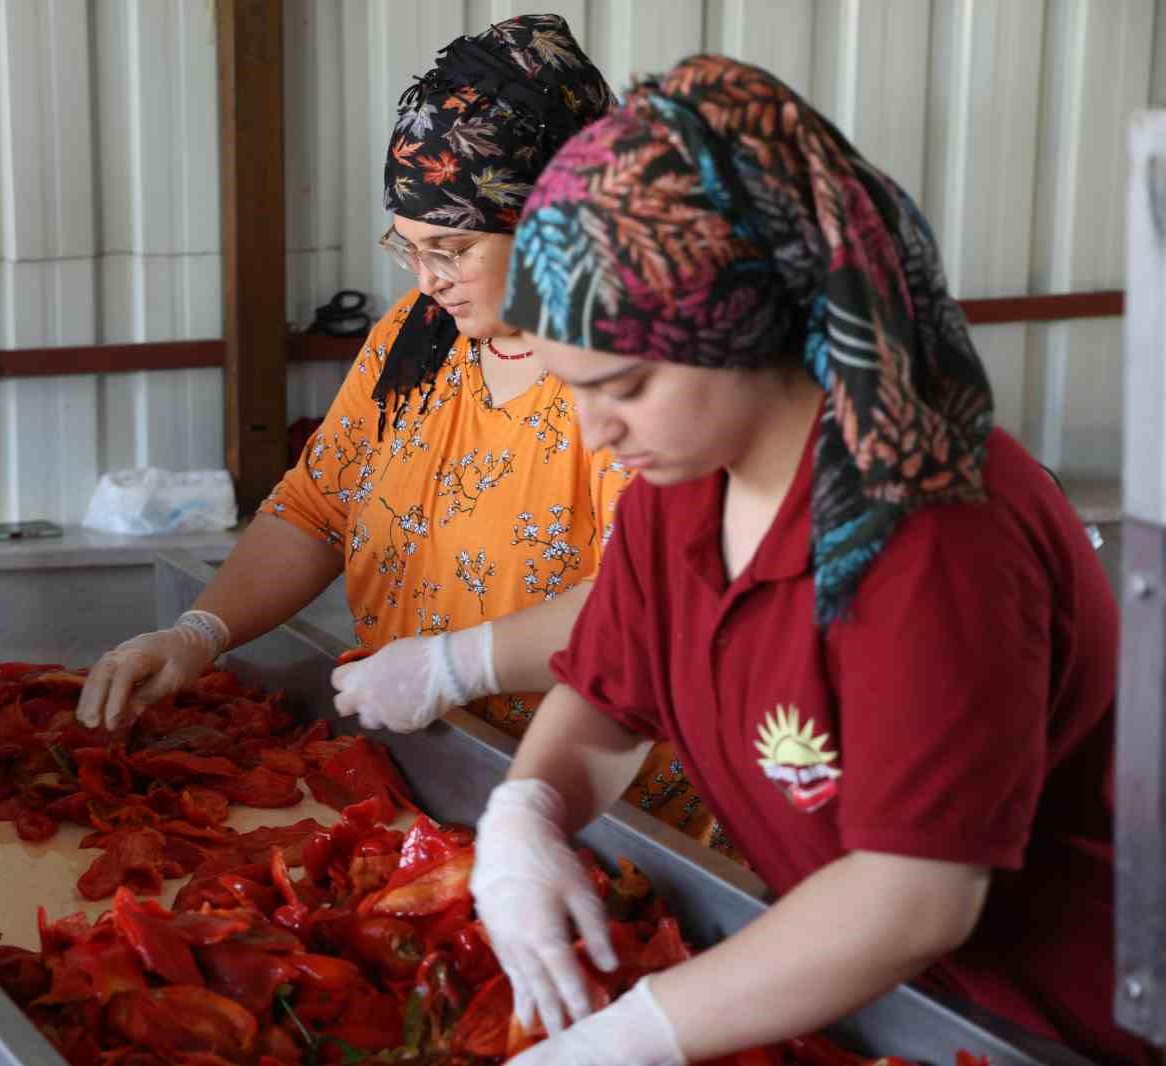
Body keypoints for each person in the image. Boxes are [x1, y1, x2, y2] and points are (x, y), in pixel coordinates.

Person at [464, 55, 1150, 1065]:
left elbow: (912, 894)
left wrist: (634, 1037)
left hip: (1033, 1028)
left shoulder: (929, 526)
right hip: (861, 1003)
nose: (596, 430)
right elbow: (609, 701)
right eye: (570, 388)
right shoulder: (680, 485)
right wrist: (526, 814)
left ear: (744, 324)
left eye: (624, 383)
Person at [76, 14, 740, 860]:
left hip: (614, 816)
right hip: (432, 775)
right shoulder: (417, 339)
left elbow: (653, 608)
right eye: (409, 247)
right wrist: (199, 633)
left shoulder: (636, 373)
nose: (429, 278)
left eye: (454, 248)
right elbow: (319, 507)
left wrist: (456, 665)